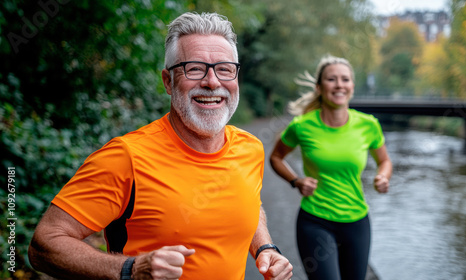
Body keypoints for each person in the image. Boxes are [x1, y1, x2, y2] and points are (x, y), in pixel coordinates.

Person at [28, 12, 293, 280]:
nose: (212, 82)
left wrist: (264, 248)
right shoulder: (126, 156)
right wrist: (129, 269)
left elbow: (249, 202)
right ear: (168, 81)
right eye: (195, 68)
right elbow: (44, 245)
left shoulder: (250, 148)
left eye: (224, 69)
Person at [269, 54, 392, 280]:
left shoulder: (368, 125)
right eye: (331, 79)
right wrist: (296, 181)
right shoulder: (302, 126)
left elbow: (384, 161)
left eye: (345, 79)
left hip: (357, 223)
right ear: (319, 87)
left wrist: (382, 177)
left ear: (352, 86)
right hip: (315, 222)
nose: (339, 85)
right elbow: (276, 157)